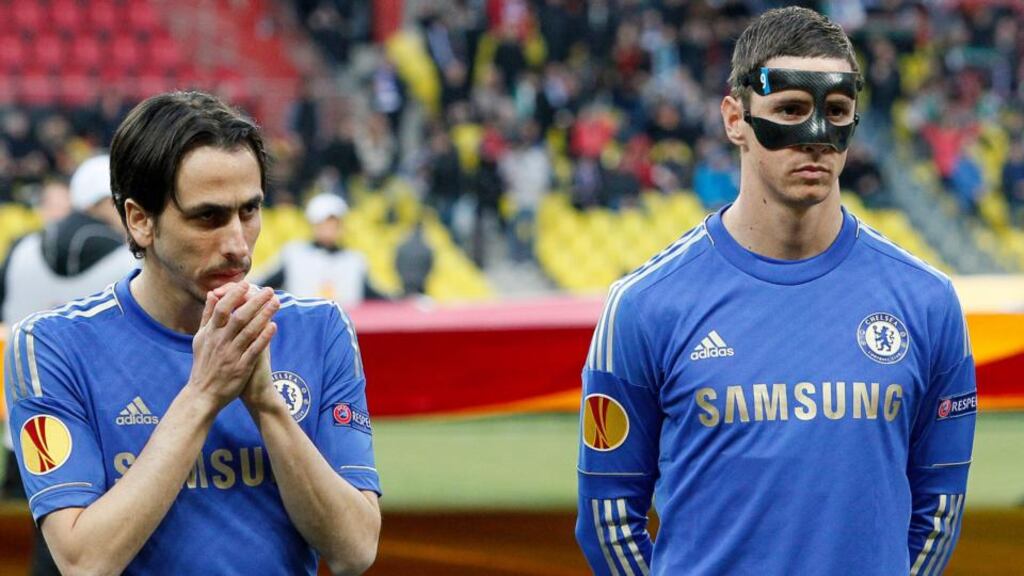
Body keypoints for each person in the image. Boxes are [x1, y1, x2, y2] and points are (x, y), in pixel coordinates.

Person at [575, 8, 975, 576]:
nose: (815, 137)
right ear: (735, 118)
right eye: (790, 109)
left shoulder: (928, 303)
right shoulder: (644, 306)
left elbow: (939, 510)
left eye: (836, 112)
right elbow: (608, 519)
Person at [4, 91, 381, 575]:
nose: (236, 245)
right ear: (140, 220)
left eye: (249, 211)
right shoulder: (50, 346)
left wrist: (268, 407)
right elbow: (84, 562)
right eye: (208, 217)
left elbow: (355, 551)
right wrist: (205, 392)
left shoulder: (319, 329)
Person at [0, 154, 136, 576]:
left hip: (27, 423)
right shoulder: (128, 257)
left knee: (51, 536)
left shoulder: (21, 249)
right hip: (112, 427)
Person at [259, 192, 381, 307]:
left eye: (334, 223)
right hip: (303, 323)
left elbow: (373, 294)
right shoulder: (294, 254)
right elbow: (264, 282)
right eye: (324, 223)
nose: (329, 228)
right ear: (313, 224)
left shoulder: (354, 260)